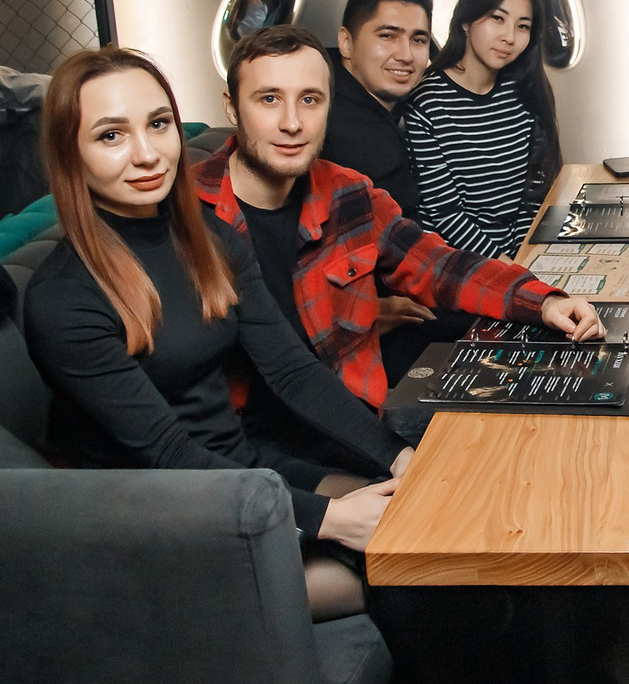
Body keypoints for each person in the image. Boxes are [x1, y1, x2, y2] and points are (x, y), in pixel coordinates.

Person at [22, 47, 413, 617]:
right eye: (111, 136)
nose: (147, 153)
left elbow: (291, 371)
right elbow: (166, 453)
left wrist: (397, 456)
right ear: (70, 153)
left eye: (158, 125)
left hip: (245, 471)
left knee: (420, 519)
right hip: (166, 517)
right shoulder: (63, 298)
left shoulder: (207, 237)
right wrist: (331, 519)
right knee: (406, 577)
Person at [196, 24, 603, 449]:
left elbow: (438, 266)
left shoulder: (348, 194)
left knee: (541, 442)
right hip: (247, 451)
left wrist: (543, 302)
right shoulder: (185, 212)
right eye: (269, 99)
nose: (292, 123)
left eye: (310, 100)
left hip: (351, 431)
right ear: (232, 107)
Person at [400, 0, 562, 258]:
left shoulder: (525, 90)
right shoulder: (426, 101)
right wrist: (506, 269)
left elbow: (532, 196)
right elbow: (445, 214)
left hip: (518, 256)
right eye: (497, 19)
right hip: (455, 262)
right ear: (466, 21)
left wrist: (523, 258)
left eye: (523, 26)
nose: (509, 37)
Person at [322, 0, 436, 219]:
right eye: (387, 36)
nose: (406, 55)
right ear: (346, 42)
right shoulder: (345, 130)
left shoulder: (328, 72)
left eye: (418, 40)